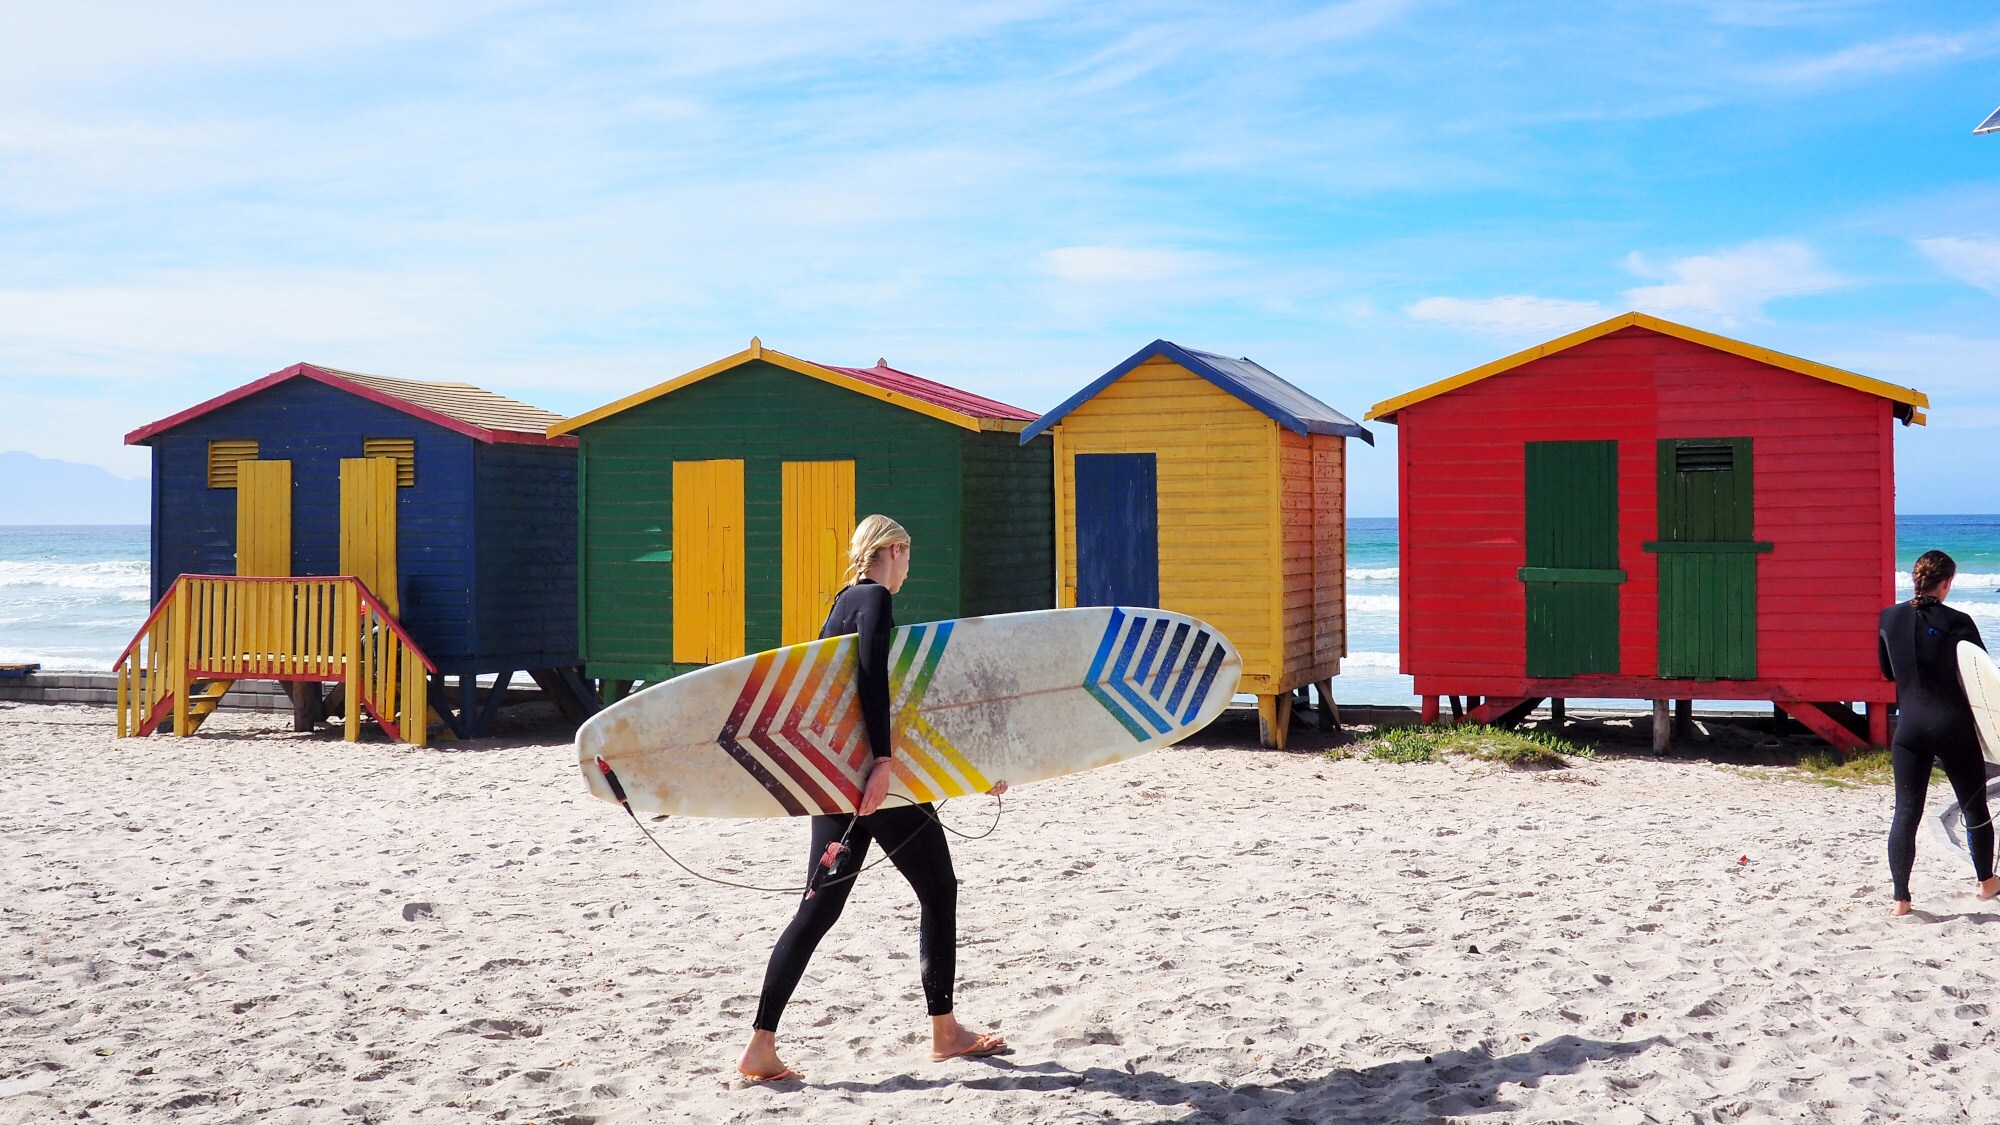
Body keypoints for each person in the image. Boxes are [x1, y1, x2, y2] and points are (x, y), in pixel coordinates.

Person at [737, 514, 1007, 1082]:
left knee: (819, 908)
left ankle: (761, 1045)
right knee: (938, 890)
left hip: (837, 778)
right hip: (871, 781)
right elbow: (871, 684)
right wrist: (883, 765)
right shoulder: (876, 600)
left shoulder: (842, 604)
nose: (908, 570)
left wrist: (967, 771)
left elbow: (861, 702)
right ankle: (945, 1031)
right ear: (893, 549)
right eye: (907, 557)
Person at [1879, 549, 1998, 916]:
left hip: (1909, 727)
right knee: (1973, 807)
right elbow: (1979, 679)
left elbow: (1887, 672)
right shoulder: (1959, 621)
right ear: (1947, 582)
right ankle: (1986, 884)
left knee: (1906, 814)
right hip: (1952, 726)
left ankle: (1901, 900)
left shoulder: (1888, 618)